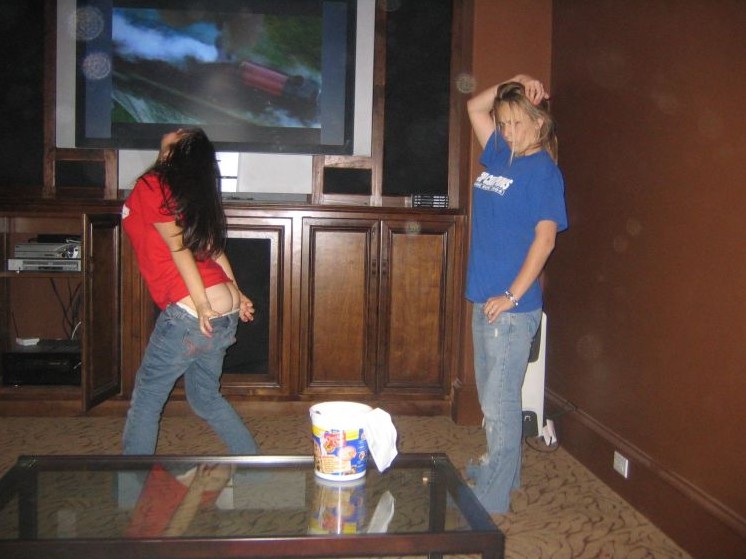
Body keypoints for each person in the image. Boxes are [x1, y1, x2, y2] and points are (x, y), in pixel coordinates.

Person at [121, 127, 259, 456]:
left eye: (184, 134)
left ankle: (134, 484)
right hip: (221, 311)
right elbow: (214, 251)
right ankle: (256, 472)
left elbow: (181, 248)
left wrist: (201, 304)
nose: (179, 128)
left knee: (147, 398)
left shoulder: (151, 184)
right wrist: (237, 294)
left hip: (196, 312)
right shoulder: (179, 193)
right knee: (205, 398)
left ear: (178, 153)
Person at [465, 75, 568, 514]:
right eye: (503, 123)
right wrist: (514, 81)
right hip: (485, 298)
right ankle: (502, 470)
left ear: (539, 122)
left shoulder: (543, 172)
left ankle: (492, 497)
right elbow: (473, 107)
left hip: (511, 307)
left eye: (516, 123)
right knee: (494, 399)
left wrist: (510, 295)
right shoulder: (501, 154)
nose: (507, 131)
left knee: (499, 403)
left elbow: (545, 240)